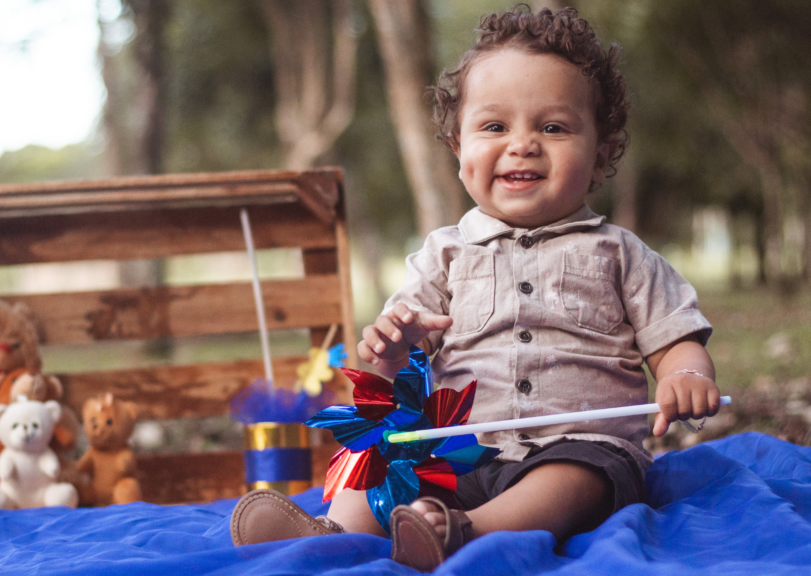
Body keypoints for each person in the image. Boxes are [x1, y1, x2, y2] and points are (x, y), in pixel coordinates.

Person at [230, 7, 721, 572]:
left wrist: (686, 375)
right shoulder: (444, 254)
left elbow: (674, 339)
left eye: (553, 127)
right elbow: (391, 370)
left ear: (602, 151)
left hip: (579, 446)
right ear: (457, 148)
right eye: (494, 127)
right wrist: (393, 349)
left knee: (579, 475)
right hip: (459, 449)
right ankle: (335, 530)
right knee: (388, 452)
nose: (523, 145)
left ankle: (469, 532)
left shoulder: (620, 253)